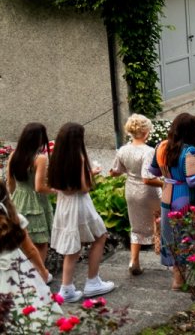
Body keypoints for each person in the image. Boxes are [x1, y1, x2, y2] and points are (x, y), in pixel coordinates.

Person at [49, 122, 115, 302]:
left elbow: (59, 185)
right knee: (100, 236)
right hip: (79, 204)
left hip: (64, 204)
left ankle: (67, 288)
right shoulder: (78, 157)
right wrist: (91, 174)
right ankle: (93, 281)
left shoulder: (56, 156)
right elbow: (84, 187)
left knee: (72, 248)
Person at [148, 112, 195, 290]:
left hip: (167, 197)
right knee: (194, 235)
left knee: (173, 237)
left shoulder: (162, 147)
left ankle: (177, 280)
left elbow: (154, 171)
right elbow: (193, 180)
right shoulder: (190, 151)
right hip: (187, 199)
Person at [110, 114, 162, 276]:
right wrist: (165, 183)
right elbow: (147, 178)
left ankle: (134, 260)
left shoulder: (123, 150)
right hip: (148, 192)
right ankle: (163, 251)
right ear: (146, 132)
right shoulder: (149, 151)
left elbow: (115, 172)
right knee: (160, 219)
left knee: (136, 226)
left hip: (131, 190)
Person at [0, 181, 58, 320]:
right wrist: (42, 271)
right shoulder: (15, 219)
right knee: (23, 307)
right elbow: (31, 250)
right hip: (17, 267)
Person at [6, 123, 53, 268]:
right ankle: (40, 275)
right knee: (41, 242)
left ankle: (26, 276)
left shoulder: (14, 154)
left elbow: (10, 182)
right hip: (36, 202)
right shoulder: (40, 158)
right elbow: (39, 187)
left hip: (17, 199)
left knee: (22, 242)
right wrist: (55, 190)